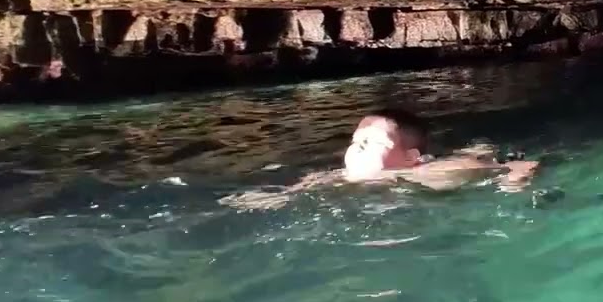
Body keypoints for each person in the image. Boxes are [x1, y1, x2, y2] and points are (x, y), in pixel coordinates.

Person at [219, 108, 539, 210]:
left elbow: (518, 165)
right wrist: (275, 198)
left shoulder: (433, 172)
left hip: (448, 164)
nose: (358, 148)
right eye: (357, 141)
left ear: (410, 157)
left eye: (373, 142)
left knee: (481, 149)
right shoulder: (338, 175)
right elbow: (299, 190)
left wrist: (514, 184)